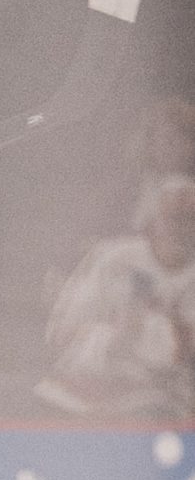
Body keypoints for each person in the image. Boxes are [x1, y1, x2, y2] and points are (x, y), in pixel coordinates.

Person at [39, 180, 195, 419]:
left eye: (190, 218)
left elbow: (181, 354)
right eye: (173, 217)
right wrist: (117, 334)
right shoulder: (112, 258)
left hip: (162, 405)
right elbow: (62, 332)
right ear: (154, 220)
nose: (182, 228)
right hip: (81, 395)